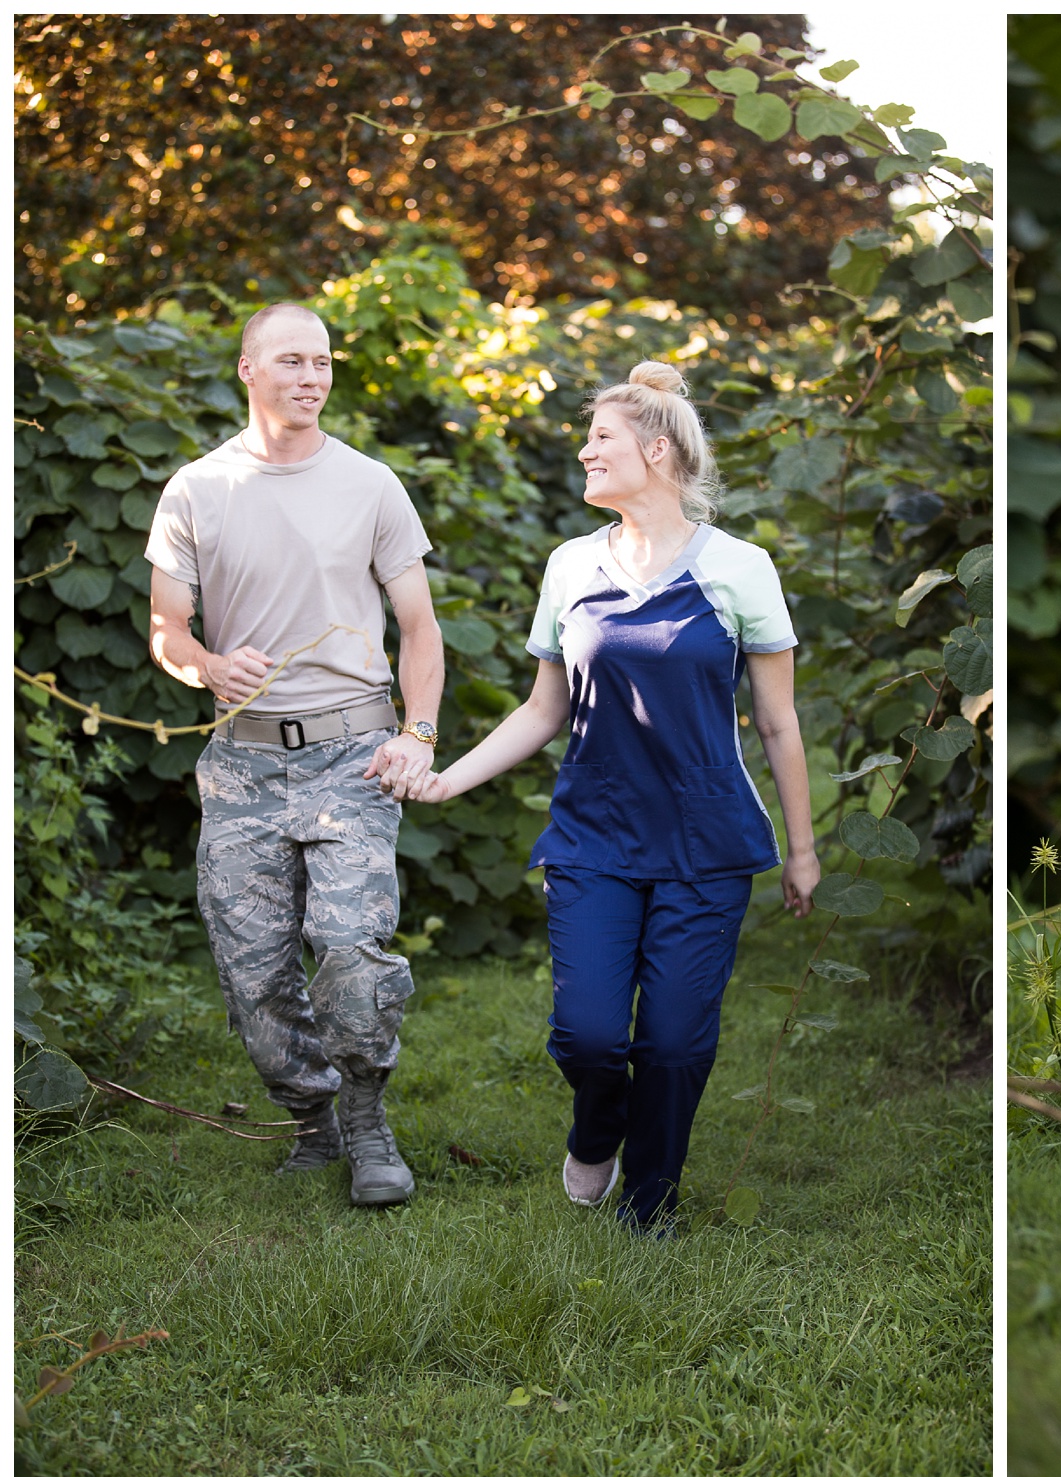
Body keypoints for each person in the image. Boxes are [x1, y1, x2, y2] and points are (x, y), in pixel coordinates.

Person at [407, 360, 820, 1236]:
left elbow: (779, 726)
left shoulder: (741, 569)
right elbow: (543, 708)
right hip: (592, 836)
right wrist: (448, 775)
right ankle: (598, 1126)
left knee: (673, 1043)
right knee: (590, 1035)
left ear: (658, 450)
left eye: (602, 436)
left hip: (707, 842)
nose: (585, 450)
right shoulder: (570, 566)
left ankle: (651, 1203)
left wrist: (804, 848)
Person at [146, 301, 444, 1207]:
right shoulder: (196, 490)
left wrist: (417, 734)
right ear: (248, 370)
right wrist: (205, 665)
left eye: (321, 362)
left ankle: (365, 1116)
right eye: (290, 361)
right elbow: (166, 629)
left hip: (351, 753)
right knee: (255, 972)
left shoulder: (370, 485)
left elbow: (420, 628)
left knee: (350, 949)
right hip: (240, 765)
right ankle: (310, 1117)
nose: (311, 378)